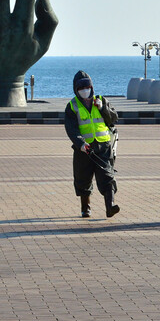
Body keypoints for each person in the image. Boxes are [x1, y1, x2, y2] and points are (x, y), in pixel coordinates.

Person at [64, 70, 119, 218]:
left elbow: (113, 119)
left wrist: (103, 108)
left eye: (87, 87)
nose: (84, 91)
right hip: (84, 149)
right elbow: (71, 128)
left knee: (107, 176)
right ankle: (85, 208)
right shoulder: (72, 106)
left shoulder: (101, 100)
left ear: (92, 87)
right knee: (83, 179)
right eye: (81, 88)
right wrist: (80, 143)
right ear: (76, 90)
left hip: (103, 146)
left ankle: (110, 206)